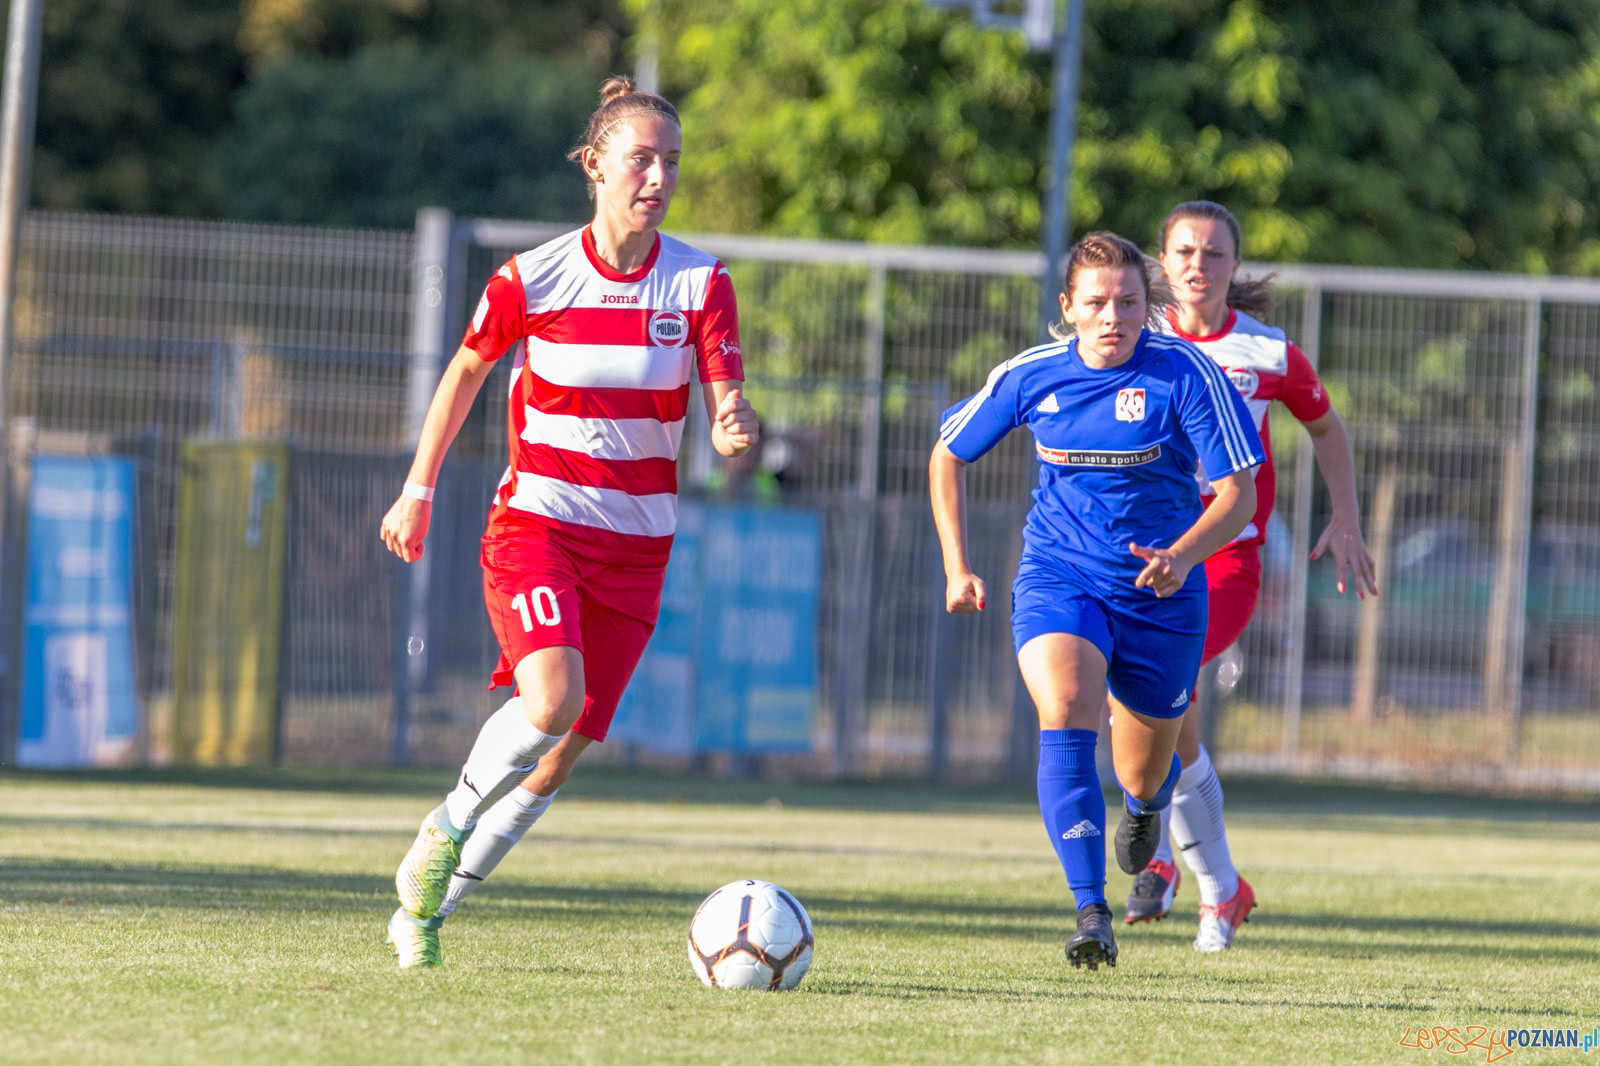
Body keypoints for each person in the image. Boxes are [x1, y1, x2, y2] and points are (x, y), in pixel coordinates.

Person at [378, 75, 758, 969]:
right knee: (548, 702)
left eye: (670, 161)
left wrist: (737, 422)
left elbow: (727, 394)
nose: (657, 177)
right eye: (640, 159)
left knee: (554, 761)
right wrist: (418, 487)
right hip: (537, 523)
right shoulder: (531, 276)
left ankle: (428, 914)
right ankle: (449, 822)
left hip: (638, 548)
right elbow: (466, 372)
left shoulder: (702, 283)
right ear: (594, 166)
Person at [929, 231, 1265, 970]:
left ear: (1150, 306)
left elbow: (1239, 494)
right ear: (1067, 308)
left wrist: (1182, 556)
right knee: (1066, 707)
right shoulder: (1032, 375)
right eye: (1096, 303)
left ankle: (1146, 811)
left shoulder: (1185, 374)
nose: (1113, 317)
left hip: (1162, 595)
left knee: (1144, 774)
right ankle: (1090, 914)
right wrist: (957, 565)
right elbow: (948, 453)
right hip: (1060, 577)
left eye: (1129, 302)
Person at [1121, 200, 1377, 952]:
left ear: (1236, 266)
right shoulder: (1132, 335)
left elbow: (1325, 427)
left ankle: (1175, 864)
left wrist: (1347, 519)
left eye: (1214, 253)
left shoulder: (1267, 353)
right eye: (1185, 252)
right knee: (1148, 713)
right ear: (1161, 264)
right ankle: (1221, 890)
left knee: (1164, 690)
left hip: (1225, 559)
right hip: (1142, 556)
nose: (1198, 264)